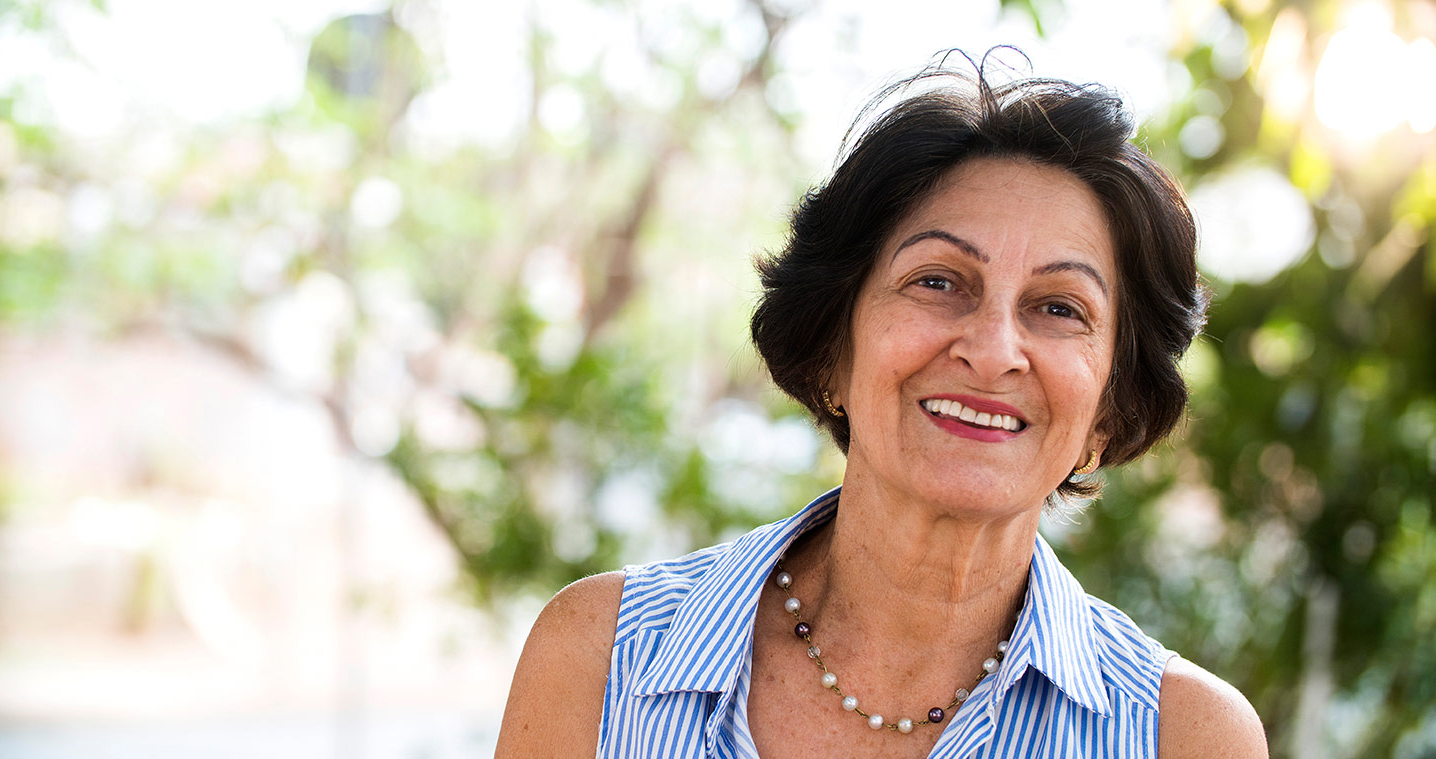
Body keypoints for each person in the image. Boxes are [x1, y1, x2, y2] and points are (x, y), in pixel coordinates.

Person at [495, 60, 1268, 758]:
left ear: (1107, 410)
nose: (994, 348)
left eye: (1060, 307)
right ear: (835, 346)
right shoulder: (601, 658)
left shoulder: (1186, 736)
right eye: (938, 281)